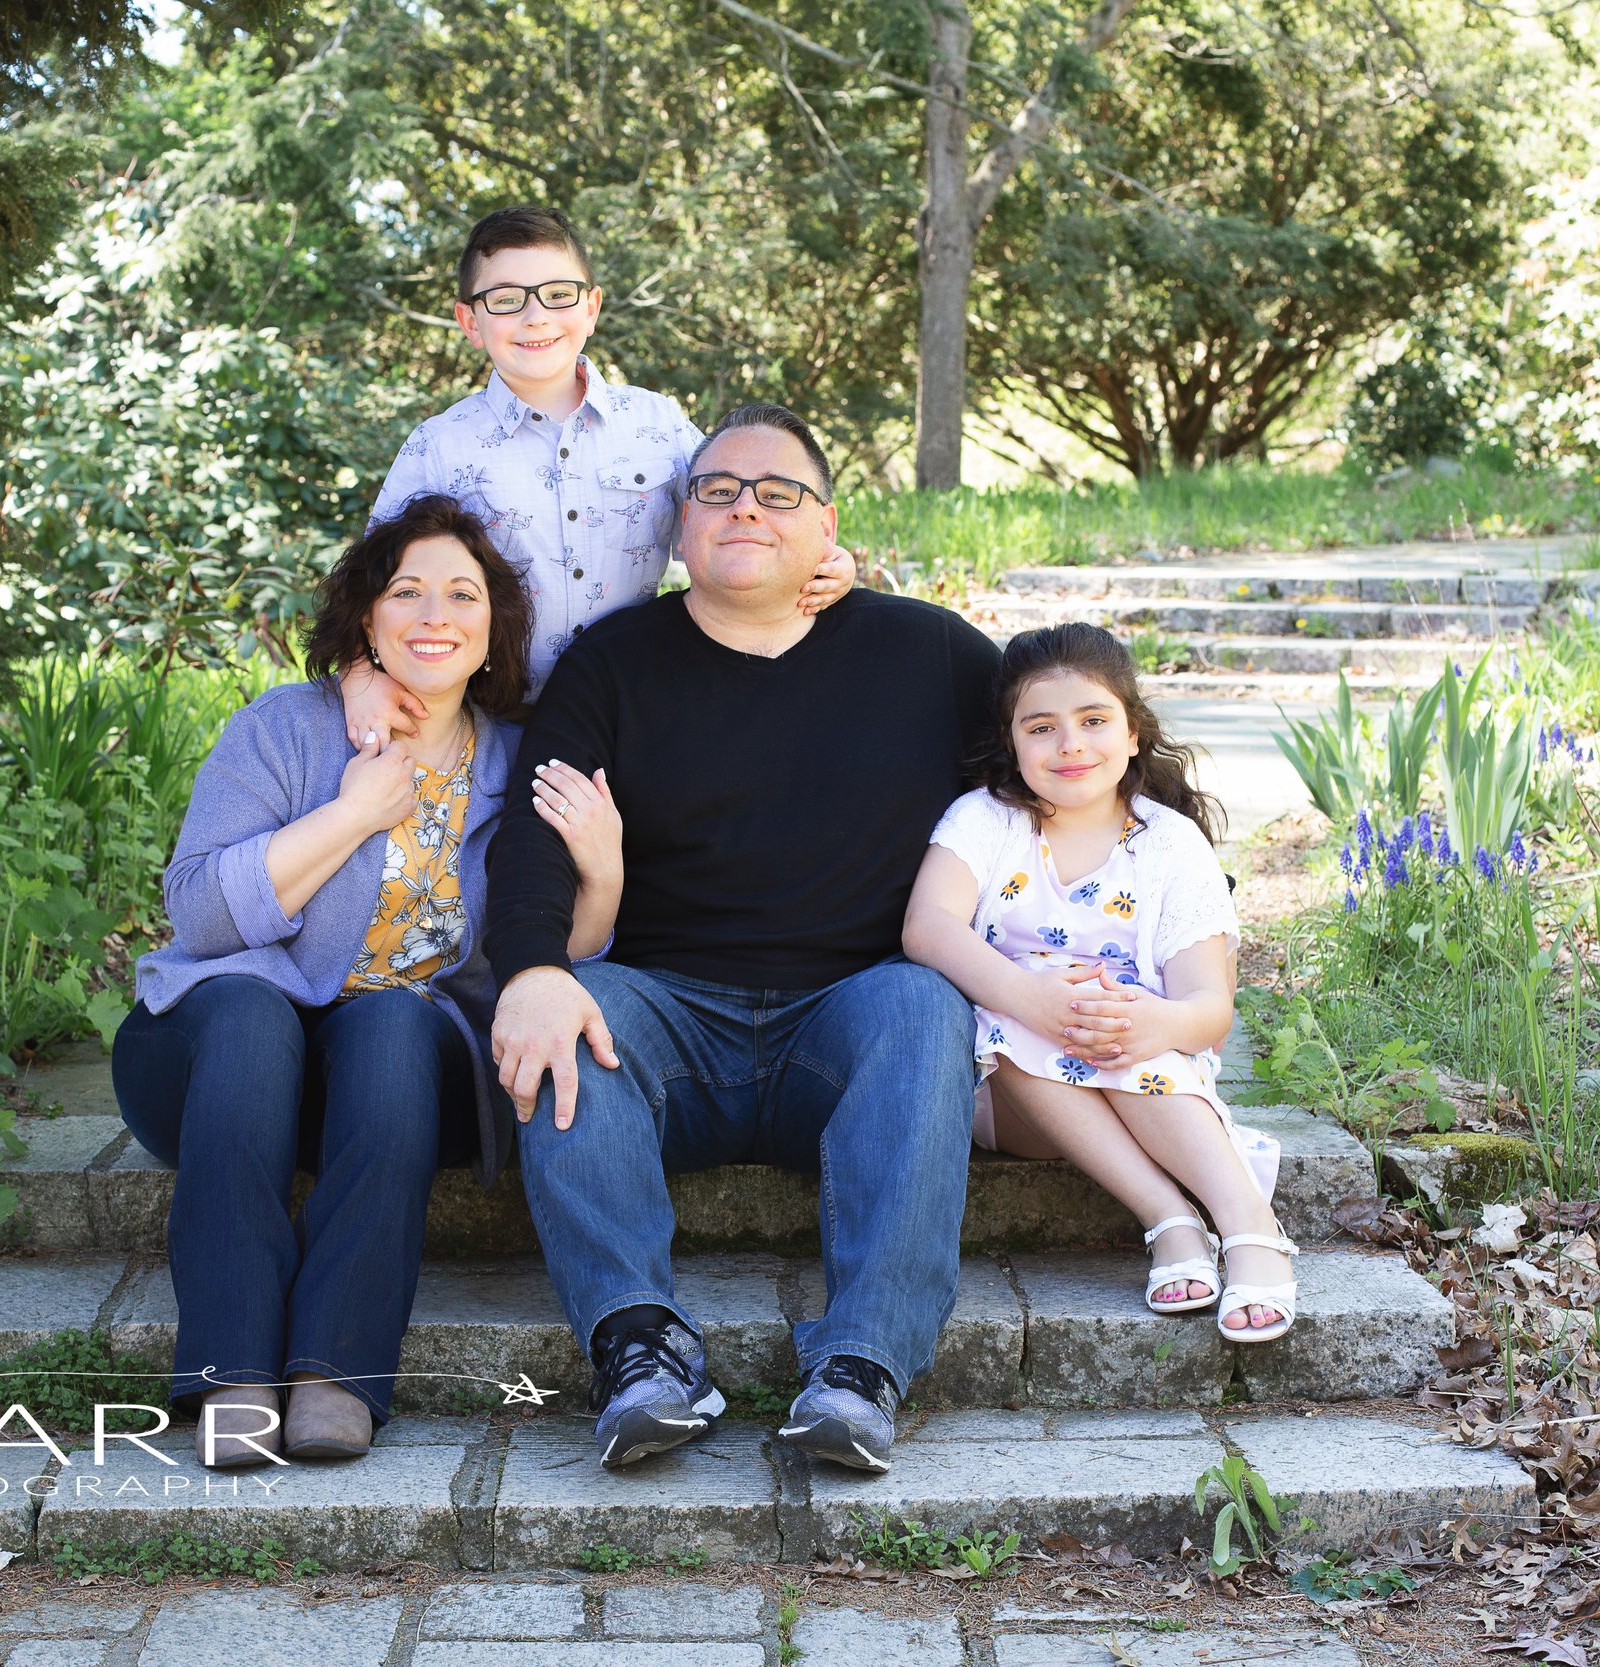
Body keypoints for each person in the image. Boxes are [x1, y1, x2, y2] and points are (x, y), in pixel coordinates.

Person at [484, 403, 1001, 1476]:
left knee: (924, 1002)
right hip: (664, 1010)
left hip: (847, 1011)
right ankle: (642, 1351)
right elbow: (536, 835)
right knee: (569, 1016)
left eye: (779, 492)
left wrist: (1169, 867)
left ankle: (861, 1367)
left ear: (827, 528)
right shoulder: (612, 661)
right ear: (679, 528)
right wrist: (532, 966)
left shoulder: (928, 651)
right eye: (715, 489)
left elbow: (1061, 741)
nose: (744, 507)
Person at [111, 495, 621, 1470]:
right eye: (407, 591)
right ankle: (231, 1373)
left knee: (395, 1020)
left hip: (390, 1088)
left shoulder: (516, 763)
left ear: (492, 627)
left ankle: (338, 1372)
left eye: (461, 594)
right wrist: (353, 813)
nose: (435, 614)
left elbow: (564, 958)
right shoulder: (283, 729)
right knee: (252, 1009)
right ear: (366, 620)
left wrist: (604, 868)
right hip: (218, 1066)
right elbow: (201, 917)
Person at [901, 623, 1298, 1342]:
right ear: (1012, 741)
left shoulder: (1169, 843)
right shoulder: (985, 821)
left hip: (1145, 1076)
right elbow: (927, 928)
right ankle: (1167, 1216)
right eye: (1042, 727)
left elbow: (1210, 1011)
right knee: (1010, 998)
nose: (1070, 745)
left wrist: (1151, 1021)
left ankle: (1247, 1222)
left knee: (1119, 1011)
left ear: (1134, 732)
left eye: (1093, 721)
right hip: (1016, 1091)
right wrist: (1035, 1000)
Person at [342, 204, 855, 736]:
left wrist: (822, 562)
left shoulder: (658, 424)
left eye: (558, 294)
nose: (535, 316)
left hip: (635, 709)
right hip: (489, 719)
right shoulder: (439, 446)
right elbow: (371, 583)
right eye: (506, 299)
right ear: (470, 321)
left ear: (591, 307)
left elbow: (730, 521)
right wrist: (360, 677)